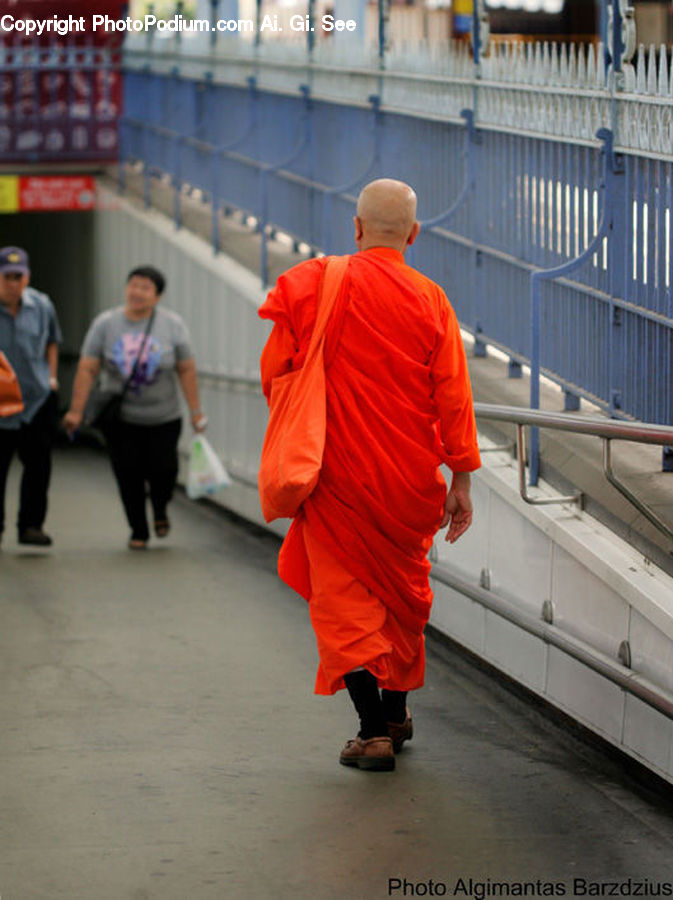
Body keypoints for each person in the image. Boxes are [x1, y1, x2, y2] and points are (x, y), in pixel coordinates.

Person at [259, 179, 481, 771]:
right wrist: (461, 478)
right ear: (413, 234)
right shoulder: (432, 298)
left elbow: (275, 369)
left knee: (344, 602)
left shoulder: (313, 284)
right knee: (402, 600)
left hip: (336, 475)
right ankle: (397, 712)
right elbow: (455, 397)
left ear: (356, 228)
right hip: (410, 481)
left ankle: (371, 731)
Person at [63, 265, 206, 550]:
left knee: (164, 471)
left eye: (145, 288)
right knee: (128, 475)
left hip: (164, 417)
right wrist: (76, 410)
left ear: (158, 296)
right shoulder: (106, 324)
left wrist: (196, 411)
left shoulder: (172, 325)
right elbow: (88, 368)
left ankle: (161, 508)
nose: (137, 292)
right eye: (134, 285)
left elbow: (186, 369)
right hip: (122, 419)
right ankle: (138, 529)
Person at [0, 246, 62, 547]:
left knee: (38, 466)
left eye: (18, 276)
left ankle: (31, 525)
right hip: (1, 404)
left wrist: (51, 379)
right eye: (7, 277)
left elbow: (52, 342)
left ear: (27, 277)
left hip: (36, 399)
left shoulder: (41, 305)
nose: (13, 283)